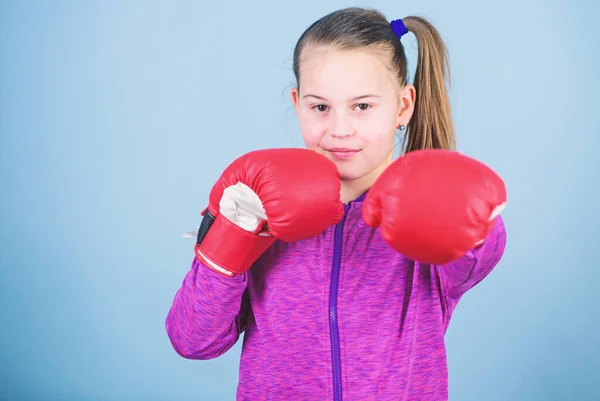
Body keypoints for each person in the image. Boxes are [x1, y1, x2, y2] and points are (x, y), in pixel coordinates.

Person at [165, 7, 507, 401]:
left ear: (403, 106)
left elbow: (480, 256)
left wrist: (467, 213)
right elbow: (193, 341)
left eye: (362, 106)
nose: (339, 129)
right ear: (297, 104)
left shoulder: (421, 215)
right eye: (320, 107)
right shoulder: (261, 206)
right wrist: (229, 235)